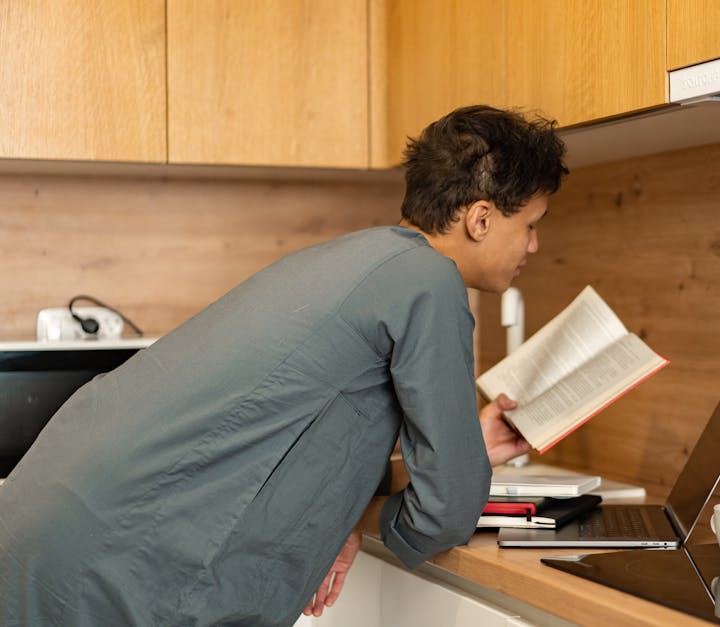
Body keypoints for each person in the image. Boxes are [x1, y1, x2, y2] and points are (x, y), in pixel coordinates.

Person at [0, 104, 568, 626]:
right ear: (481, 218)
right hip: (121, 562)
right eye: (532, 224)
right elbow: (447, 511)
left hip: (49, 520)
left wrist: (463, 444)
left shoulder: (354, 258)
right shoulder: (430, 283)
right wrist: (373, 514)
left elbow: (298, 449)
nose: (535, 246)